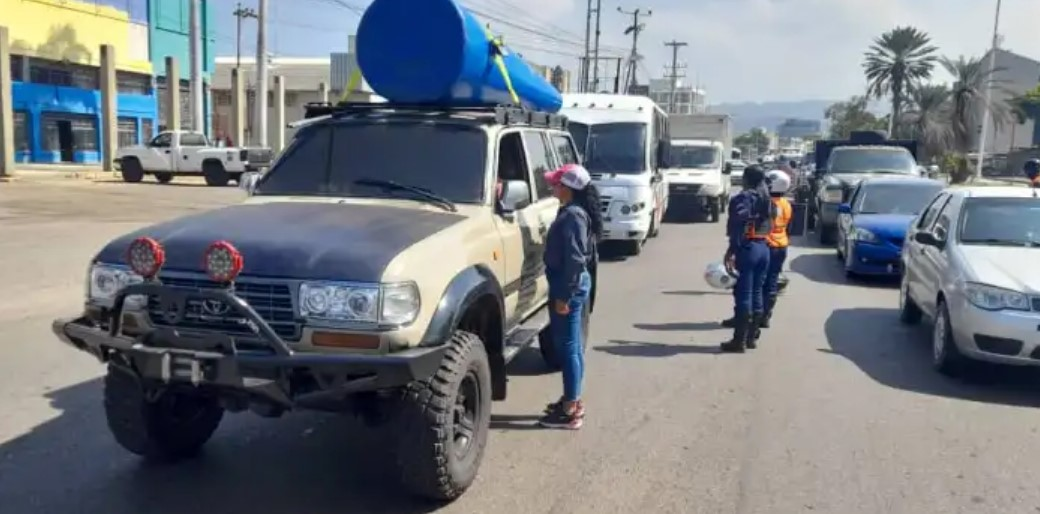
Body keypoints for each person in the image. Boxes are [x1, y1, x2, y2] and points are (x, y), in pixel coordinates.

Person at [538, 163, 603, 430]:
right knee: (572, 346)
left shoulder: (573, 216)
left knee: (568, 349)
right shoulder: (572, 211)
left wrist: (564, 296)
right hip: (572, 285)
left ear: (567, 189)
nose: (552, 187)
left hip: (569, 287)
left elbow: (575, 261)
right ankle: (572, 400)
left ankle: (570, 410)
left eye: (555, 183)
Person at [720, 165, 775, 352]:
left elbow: (738, 225)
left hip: (748, 248)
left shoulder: (743, 198)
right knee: (757, 292)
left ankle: (739, 341)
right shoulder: (767, 199)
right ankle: (751, 339)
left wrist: (731, 251)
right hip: (764, 248)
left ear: (746, 179)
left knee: (744, 294)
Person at [762, 169, 793, 328]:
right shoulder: (786, 204)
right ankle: (766, 315)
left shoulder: (768, 204)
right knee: (772, 281)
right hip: (781, 245)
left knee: (760, 282)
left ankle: (758, 314)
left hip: (767, 244)